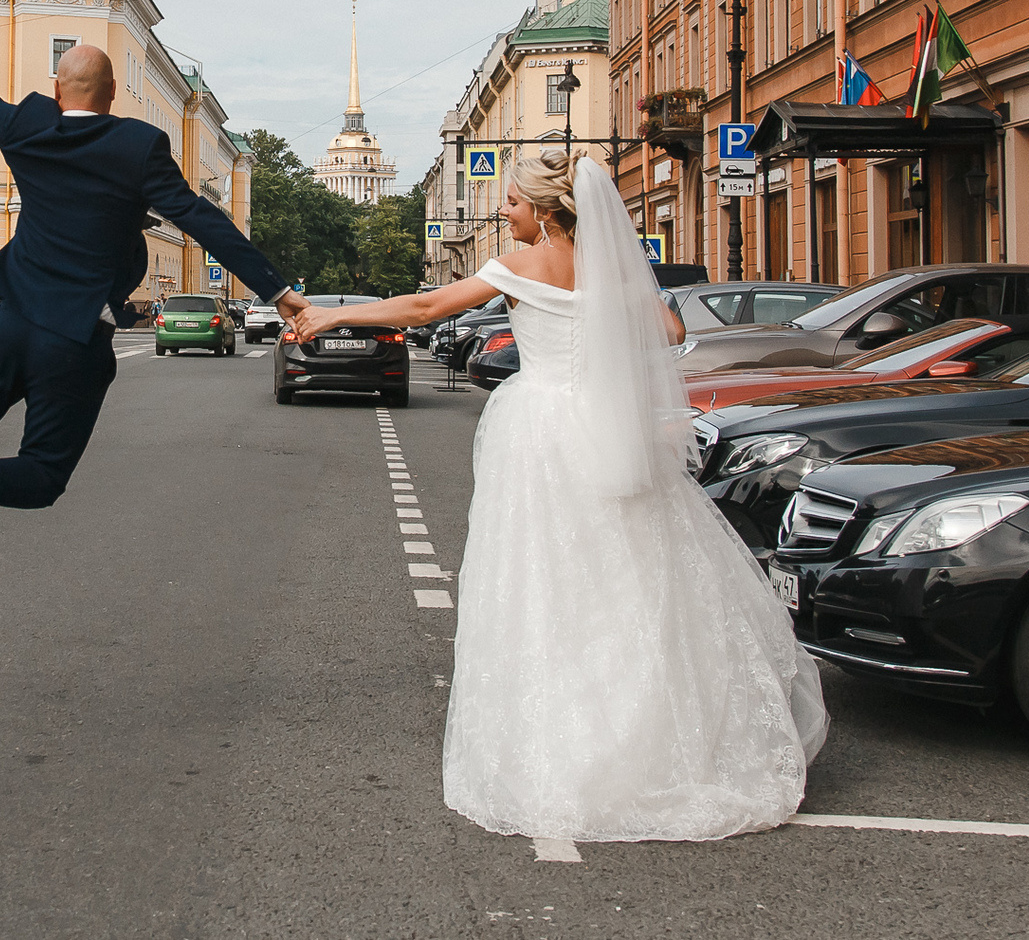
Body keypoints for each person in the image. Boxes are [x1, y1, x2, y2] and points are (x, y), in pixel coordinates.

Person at [291, 146, 826, 841]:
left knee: (545, 577)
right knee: (632, 573)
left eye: (511, 201)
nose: (503, 210)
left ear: (543, 210)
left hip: (542, 431)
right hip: (607, 426)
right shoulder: (607, 263)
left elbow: (425, 306)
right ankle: (662, 734)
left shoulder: (518, 265)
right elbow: (670, 330)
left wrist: (333, 317)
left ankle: (567, 738)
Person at [0, 0, 303, 550]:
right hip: (75, 341)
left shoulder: (27, 127)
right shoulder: (139, 146)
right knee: (41, 475)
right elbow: (200, 218)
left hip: (11, 324)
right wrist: (276, 289)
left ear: (58, 91)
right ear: (113, 96)